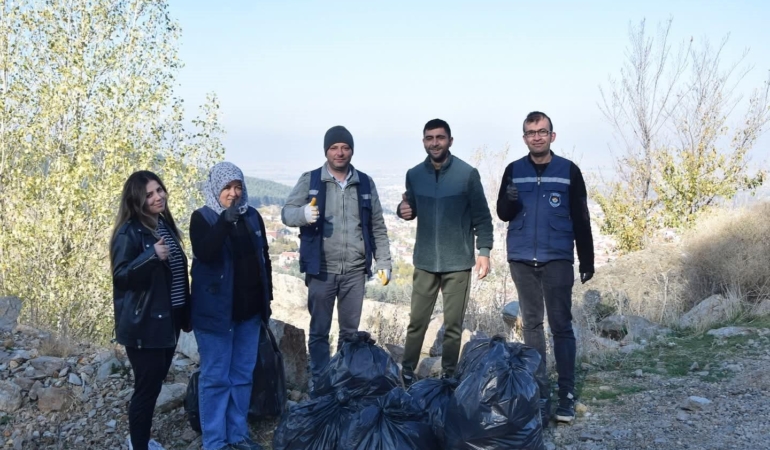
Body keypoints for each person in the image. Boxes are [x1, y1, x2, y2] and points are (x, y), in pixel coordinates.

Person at [496, 111, 595, 426]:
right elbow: (503, 212)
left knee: (561, 326)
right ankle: (538, 396)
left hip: (557, 259)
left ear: (552, 136)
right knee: (533, 327)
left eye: (541, 131)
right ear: (524, 138)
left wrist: (587, 259)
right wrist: (510, 200)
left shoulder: (569, 171)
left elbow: (581, 217)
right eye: (530, 132)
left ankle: (566, 395)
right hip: (522, 258)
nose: (536, 137)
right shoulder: (513, 170)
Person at [281, 125, 392, 384]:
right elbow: (287, 212)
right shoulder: (311, 180)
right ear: (326, 151)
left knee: (349, 333)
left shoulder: (364, 182)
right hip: (321, 268)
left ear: (351, 150)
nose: (339, 153)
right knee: (319, 331)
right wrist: (303, 216)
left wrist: (384, 260)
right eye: (334, 148)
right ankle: (320, 381)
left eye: (345, 147)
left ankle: (343, 379)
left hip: (354, 271)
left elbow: (377, 224)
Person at [397, 118, 494, 385]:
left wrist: (483, 251)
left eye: (440, 137)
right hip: (425, 262)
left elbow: (482, 218)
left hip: (458, 263)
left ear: (450, 140)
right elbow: (410, 207)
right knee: (417, 322)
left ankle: (449, 377)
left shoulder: (467, 174)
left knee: (453, 326)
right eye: (429, 138)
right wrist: (402, 211)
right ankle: (407, 372)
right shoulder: (414, 174)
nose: (435, 142)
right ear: (423, 141)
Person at [190, 162, 273, 450]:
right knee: (215, 379)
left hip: (249, 314)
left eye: (238, 186)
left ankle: (238, 436)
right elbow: (205, 252)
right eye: (227, 188)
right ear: (216, 189)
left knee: (241, 376)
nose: (233, 193)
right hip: (215, 317)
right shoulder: (202, 218)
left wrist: (267, 301)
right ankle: (214, 441)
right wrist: (225, 221)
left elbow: (264, 260)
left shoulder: (252, 216)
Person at [110, 170, 191, 450]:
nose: (158, 197)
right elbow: (121, 277)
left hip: (168, 322)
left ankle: (140, 439)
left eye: (159, 190)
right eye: (149, 194)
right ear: (137, 201)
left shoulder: (163, 226)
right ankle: (139, 445)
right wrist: (150, 257)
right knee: (146, 390)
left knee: (154, 386)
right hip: (145, 325)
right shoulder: (129, 232)